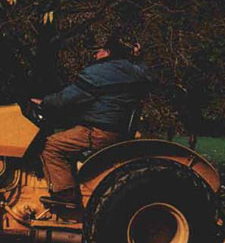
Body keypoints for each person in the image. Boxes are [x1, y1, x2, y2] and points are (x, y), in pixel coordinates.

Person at [31, 34, 153, 206]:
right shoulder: (137, 72)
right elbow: (147, 74)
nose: (95, 55)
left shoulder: (99, 73)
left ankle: (65, 194)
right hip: (118, 131)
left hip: (98, 132)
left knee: (51, 146)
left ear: (107, 52)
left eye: (98, 51)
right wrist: (139, 58)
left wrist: (44, 102)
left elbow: (65, 99)